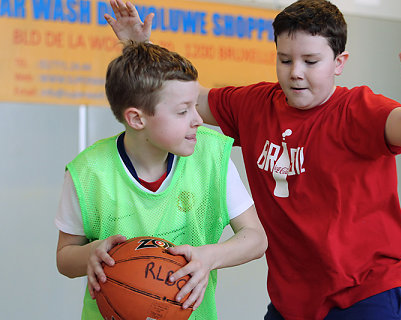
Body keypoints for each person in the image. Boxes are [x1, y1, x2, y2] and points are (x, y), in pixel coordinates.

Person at [105, 0, 401, 319]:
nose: (295, 72)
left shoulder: (357, 110)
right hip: (294, 299)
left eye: (310, 61)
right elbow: (187, 98)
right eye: (285, 60)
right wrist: (140, 49)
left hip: (369, 291)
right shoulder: (255, 105)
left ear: (339, 63)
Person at [55, 41, 268, 320]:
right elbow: (64, 258)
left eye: (196, 106)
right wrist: (91, 254)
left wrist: (209, 257)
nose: (198, 120)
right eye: (182, 111)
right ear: (136, 118)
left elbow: (256, 238)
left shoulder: (211, 156)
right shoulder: (88, 172)